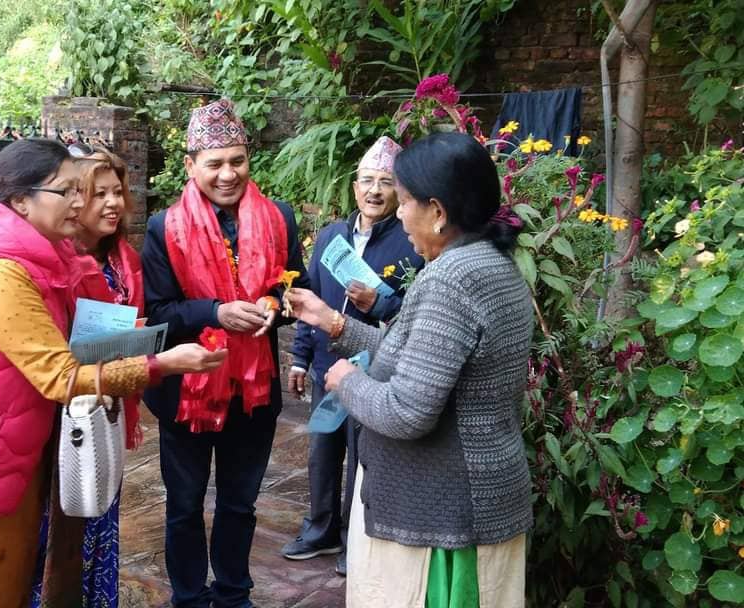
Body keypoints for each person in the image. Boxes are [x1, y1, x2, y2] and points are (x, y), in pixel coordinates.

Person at [0, 138, 225, 608]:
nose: (80, 201)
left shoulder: (48, 262)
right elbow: (59, 375)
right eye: (67, 191)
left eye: (81, 189)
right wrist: (162, 363)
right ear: (21, 201)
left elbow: (71, 346)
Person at [285, 132, 533, 607]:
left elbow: (407, 411)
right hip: (475, 501)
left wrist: (347, 381)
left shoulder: (450, 279)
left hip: (440, 522)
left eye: (404, 201)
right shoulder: (491, 264)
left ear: (437, 211)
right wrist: (335, 323)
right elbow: (422, 355)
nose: (398, 214)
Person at [141, 99, 310, 608]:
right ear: (191, 165)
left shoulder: (279, 218)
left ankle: (234, 594)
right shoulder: (164, 227)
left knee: (240, 503)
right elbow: (159, 312)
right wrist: (215, 312)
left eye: (237, 160)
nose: (228, 174)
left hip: (253, 392)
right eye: (214, 163)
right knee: (185, 504)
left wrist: (273, 304)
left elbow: (292, 284)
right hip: (187, 390)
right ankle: (190, 597)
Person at [283, 136, 423, 577]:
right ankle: (320, 529)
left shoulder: (411, 243)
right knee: (322, 451)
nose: (374, 191)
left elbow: (413, 317)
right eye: (367, 181)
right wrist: (300, 358)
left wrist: (378, 304)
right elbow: (311, 301)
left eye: (385, 182)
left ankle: (354, 541)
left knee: (364, 458)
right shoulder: (331, 236)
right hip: (327, 367)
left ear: (399, 191)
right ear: (354, 186)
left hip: (374, 370)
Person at [30, 147, 143, 607]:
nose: (113, 203)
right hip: (60, 412)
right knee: (55, 529)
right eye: (100, 194)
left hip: (105, 407)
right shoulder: (54, 260)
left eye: (118, 192)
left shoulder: (124, 259)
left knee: (99, 509)